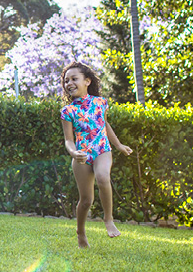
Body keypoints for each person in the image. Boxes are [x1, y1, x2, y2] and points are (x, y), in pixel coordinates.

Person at [60, 61, 133, 249]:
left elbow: (105, 126)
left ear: (87, 81)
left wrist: (118, 145)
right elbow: (68, 139)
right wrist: (74, 152)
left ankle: (108, 219)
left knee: (102, 177)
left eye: (74, 79)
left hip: (102, 150)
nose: (69, 83)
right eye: (66, 80)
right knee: (86, 201)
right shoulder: (67, 111)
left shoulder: (100, 103)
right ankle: (80, 233)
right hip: (82, 155)